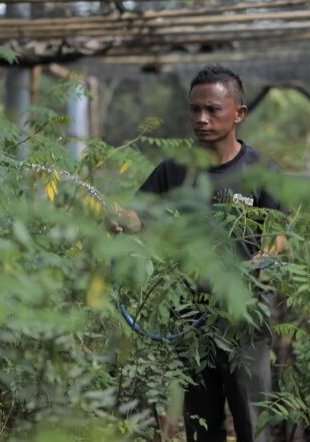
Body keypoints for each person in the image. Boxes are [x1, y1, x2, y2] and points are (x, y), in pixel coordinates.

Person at [114, 65, 285, 442]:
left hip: (244, 320)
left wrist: (264, 259)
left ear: (238, 114)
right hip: (189, 320)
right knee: (201, 426)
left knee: (253, 425)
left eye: (212, 109)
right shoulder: (174, 171)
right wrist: (120, 219)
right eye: (194, 110)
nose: (201, 118)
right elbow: (141, 214)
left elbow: (281, 233)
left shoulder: (260, 171)